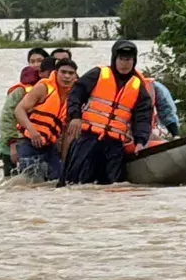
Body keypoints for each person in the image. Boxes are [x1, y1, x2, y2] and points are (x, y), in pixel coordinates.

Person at [63, 40, 152, 186]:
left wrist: (140, 141)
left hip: (114, 144)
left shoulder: (138, 86)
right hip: (88, 139)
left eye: (128, 59)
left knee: (113, 185)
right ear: (114, 59)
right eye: (121, 59)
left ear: (134, 61)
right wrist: (75, 116)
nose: (125, 63)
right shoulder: (98, 74)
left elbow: (144, 117)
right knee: (76, 182)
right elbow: (75, 95)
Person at [13, 58, 77, 182]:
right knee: (31, 183)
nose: (67, 76)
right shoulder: (43, 87)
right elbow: (19, 110)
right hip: (29, 142)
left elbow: (66, 133)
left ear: (75, 76)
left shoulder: (73, 97)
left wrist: (64, 161)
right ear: (56, 73)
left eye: (71, 73)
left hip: (50, 146)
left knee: (57, 181)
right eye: (63, 72)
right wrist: (32, 131)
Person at [0, 64, 43, 176]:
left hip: (34, 142)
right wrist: (12, 143)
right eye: (33, 61)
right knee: (12, 179)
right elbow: (7, 118)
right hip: (15, 142)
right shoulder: (20, 91)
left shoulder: (49, 91)